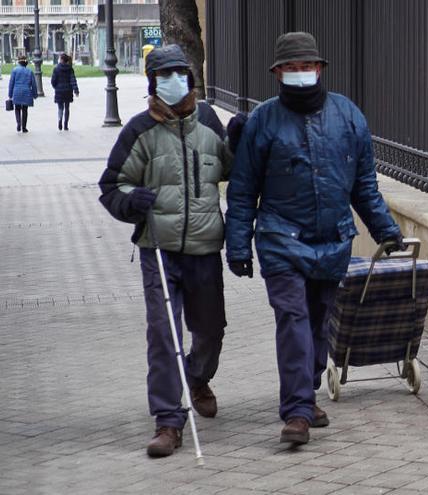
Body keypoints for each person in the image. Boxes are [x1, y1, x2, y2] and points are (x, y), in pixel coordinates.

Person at [225, 32, 404, 446]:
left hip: (333, 240)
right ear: (277, 74)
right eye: (291, 68)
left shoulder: (348, 116)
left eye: (306, 66)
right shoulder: (262, 122)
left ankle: (308, 393)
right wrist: (238, 245)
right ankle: (298, 411)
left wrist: (387, 230)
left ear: (320, 69)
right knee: (293, 319)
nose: (300, 73)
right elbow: (242, 188)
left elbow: (364, 186)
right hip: (280, 239)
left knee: (321, 320)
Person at [97, 45, 234, 458]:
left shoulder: (209, 121)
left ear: (190, 80)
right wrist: (130, 201)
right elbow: (111, 186)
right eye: (164, 75)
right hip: (159, 249)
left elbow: (233, 169)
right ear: (153, 84)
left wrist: (242, 141)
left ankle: (197, 377)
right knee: (163, 332)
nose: (174, 81)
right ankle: (168, 420)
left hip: (205, 247)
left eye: (180, 73)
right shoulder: (138, 130)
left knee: (210, 329)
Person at [8, 55, 37, 133]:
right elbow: (33, 84)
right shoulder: (30, 71)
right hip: (26, 92)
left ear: (19, 62)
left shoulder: (14, 70)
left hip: (17, 91)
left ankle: (18, 123)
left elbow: (11, 83)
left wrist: (10, 94)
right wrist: (35, 94)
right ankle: (24, 127)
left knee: (17, 108)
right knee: (25, 109)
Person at [50, 53, 79, 131]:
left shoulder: (56, 69)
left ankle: (60, 120)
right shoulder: (70, 69)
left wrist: (55, 86)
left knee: (60, 107)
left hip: (59, 90)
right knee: (67, 108)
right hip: (68, 91)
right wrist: (76, 90)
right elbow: (73, 80)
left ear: (61, 59)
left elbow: (53, 80)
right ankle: (65, 124)